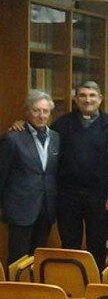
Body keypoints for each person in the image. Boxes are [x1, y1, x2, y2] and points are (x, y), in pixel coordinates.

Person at [51, 82, 108, 268]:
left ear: (100, 99)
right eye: (82, 95)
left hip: (99, 197)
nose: (87, 99)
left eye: (92, 95)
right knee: (69, 244)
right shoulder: (61, 125)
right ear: (75, 99)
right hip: (67, 195)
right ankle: (72, 279)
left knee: (97, 244)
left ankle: (95, 280)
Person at [0, 91, 60, 268]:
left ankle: (34, 286)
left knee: (38, 259)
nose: (41, 115)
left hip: (46, 207)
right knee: (17, 259)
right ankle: (14, 286)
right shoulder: (13, 138)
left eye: (45, 111)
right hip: (20, 208)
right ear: (27, 112)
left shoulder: (56, 137)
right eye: (36, 110)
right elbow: (2, 173)